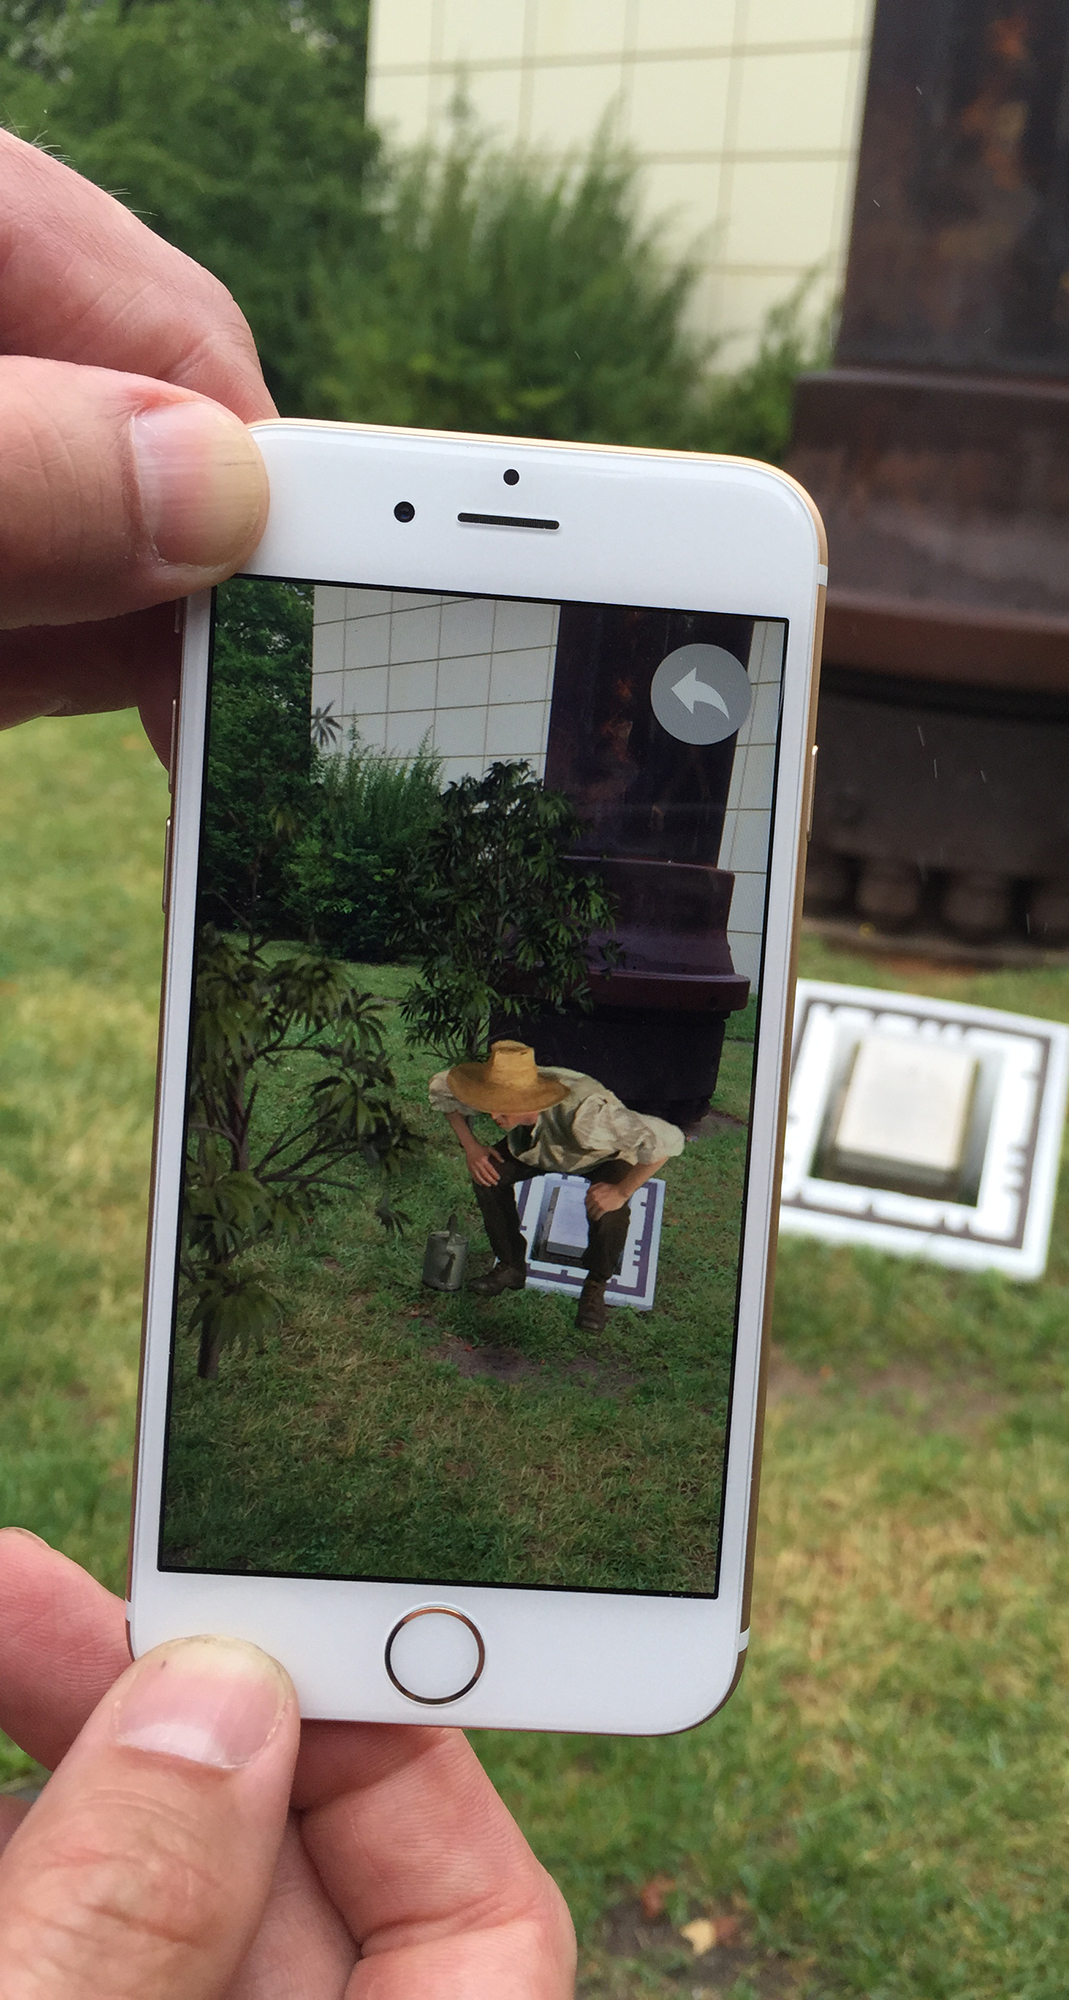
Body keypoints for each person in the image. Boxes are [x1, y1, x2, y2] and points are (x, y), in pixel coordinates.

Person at [0, 133, 575, 1994]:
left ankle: (515, 1257)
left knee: (531, 1180)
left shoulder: (544, 1082)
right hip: (511, 1142)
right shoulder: (463, 1066)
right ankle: (499, 1254)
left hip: (554, 1147)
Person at [432, 1040, 682, 1331]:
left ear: (530, 1102)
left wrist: (621, 1191)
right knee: (488, 1176)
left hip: (600, 1155)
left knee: (610, 1212)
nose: (493, 1117)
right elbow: (442, 1086)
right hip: (536, 1147)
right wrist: (471, 1148)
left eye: (502, 1109)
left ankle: (595, 1286)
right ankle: (511, 1266)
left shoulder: (588, 1117)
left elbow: (668, 1141)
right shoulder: (508, 1084)